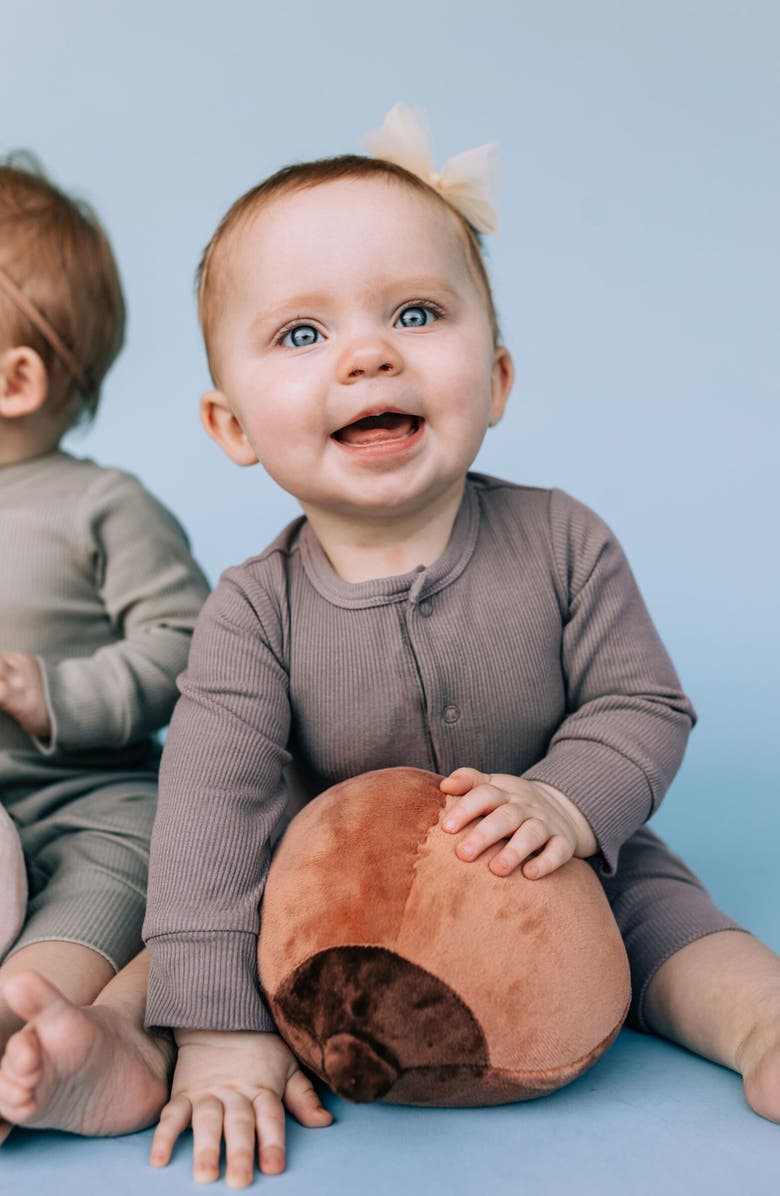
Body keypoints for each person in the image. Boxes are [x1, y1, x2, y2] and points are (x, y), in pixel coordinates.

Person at [1, 107, 778, 1188]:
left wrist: (564, 801)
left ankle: (763, 1030)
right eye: (302, 334)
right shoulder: (252, 609)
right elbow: (211, 811)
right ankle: (122, 1052)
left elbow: (641, 704)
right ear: (232, 426)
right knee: (197, 927)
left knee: (671, 921)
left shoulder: (564, 540)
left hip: (547, 865)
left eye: (416, 311)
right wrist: (226, 1025)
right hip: (316, 897)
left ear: (496, 377)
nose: (368, 353)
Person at [0, 156, 209, 1137]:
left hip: (88, 794)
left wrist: (53, 692)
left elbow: (190, 643)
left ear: (17, 376)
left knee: (122, 871)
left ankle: (33, 1027)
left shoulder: (102, 503)